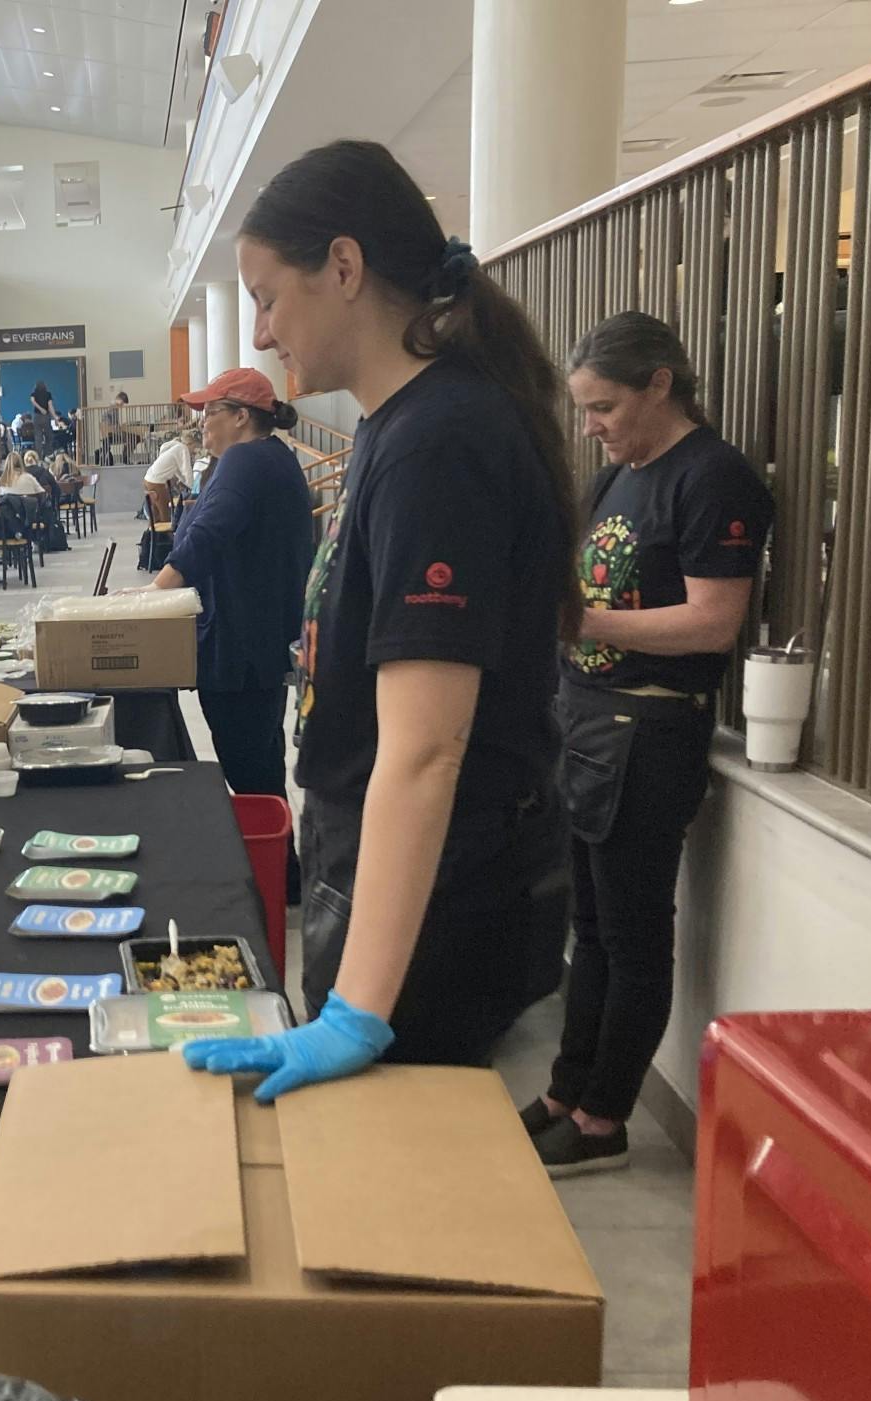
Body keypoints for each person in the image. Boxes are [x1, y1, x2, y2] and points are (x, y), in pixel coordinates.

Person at [183, 139, 579, 1101]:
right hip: (385, 882)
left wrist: (361, 1008)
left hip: (431, 917)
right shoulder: (397, 427)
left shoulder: (441, 442)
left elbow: (425, 751)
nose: (265, 335)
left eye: (270, 297)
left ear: (346, 268)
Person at [528, 313, 772, 1176]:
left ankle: (604, 1118)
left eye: (604, 406)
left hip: (654, 731)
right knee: (587, 927)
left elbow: (715, 622)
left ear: (661, 384)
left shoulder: (712, 479)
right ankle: (566, 1090)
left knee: (632, 936)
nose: (592, 425)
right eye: (584, 408)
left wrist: (583, 620)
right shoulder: (618, 477)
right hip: (587, 719)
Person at [147, 367, 314, 900]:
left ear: (242, 417)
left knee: (249, 768)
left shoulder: (246, 459)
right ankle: (280, 875)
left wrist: (155, 594)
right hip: (262, 643)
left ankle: (270, 877)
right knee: (261, 765)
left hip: (240, 647)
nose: (201, 425)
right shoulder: (276, 460)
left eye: (209, 413)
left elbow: (206, 535)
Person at [142, 420, 196, 515]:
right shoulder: (183, 449)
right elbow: (186, 471)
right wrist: (194, 489)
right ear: (189, 444)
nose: (193, 451)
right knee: (165, 513)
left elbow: (177, 471)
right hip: (157, 483)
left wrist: (183, 481)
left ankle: (155, 529)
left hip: (148, 479)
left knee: (155, 513)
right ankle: (166, 530)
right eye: (193, 448)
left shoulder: (173, 447)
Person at [100, 391, 128, 463]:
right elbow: (111, 422)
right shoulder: (112, 407)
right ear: (119, 399)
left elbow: (115, 422)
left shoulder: (114, 407)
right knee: (130, 438)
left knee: (128, 437)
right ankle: (125, 459)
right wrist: (118, 429)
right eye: (122, 403)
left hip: (110, 432)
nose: (122, 405)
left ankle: (125, 459)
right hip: (110, 433)